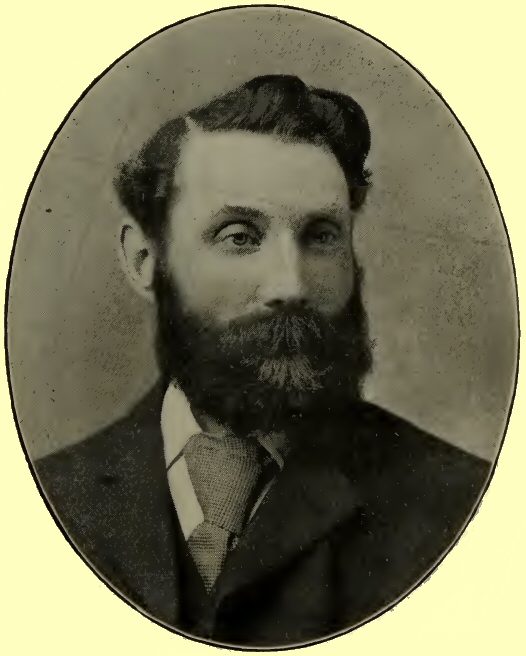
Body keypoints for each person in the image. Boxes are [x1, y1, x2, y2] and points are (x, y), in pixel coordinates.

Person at [35, 74, 490, 648]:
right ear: (145, 259)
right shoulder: (45, 503)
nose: (290, 284)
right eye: (240, 236)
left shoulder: (461, 505)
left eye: (320, 236)